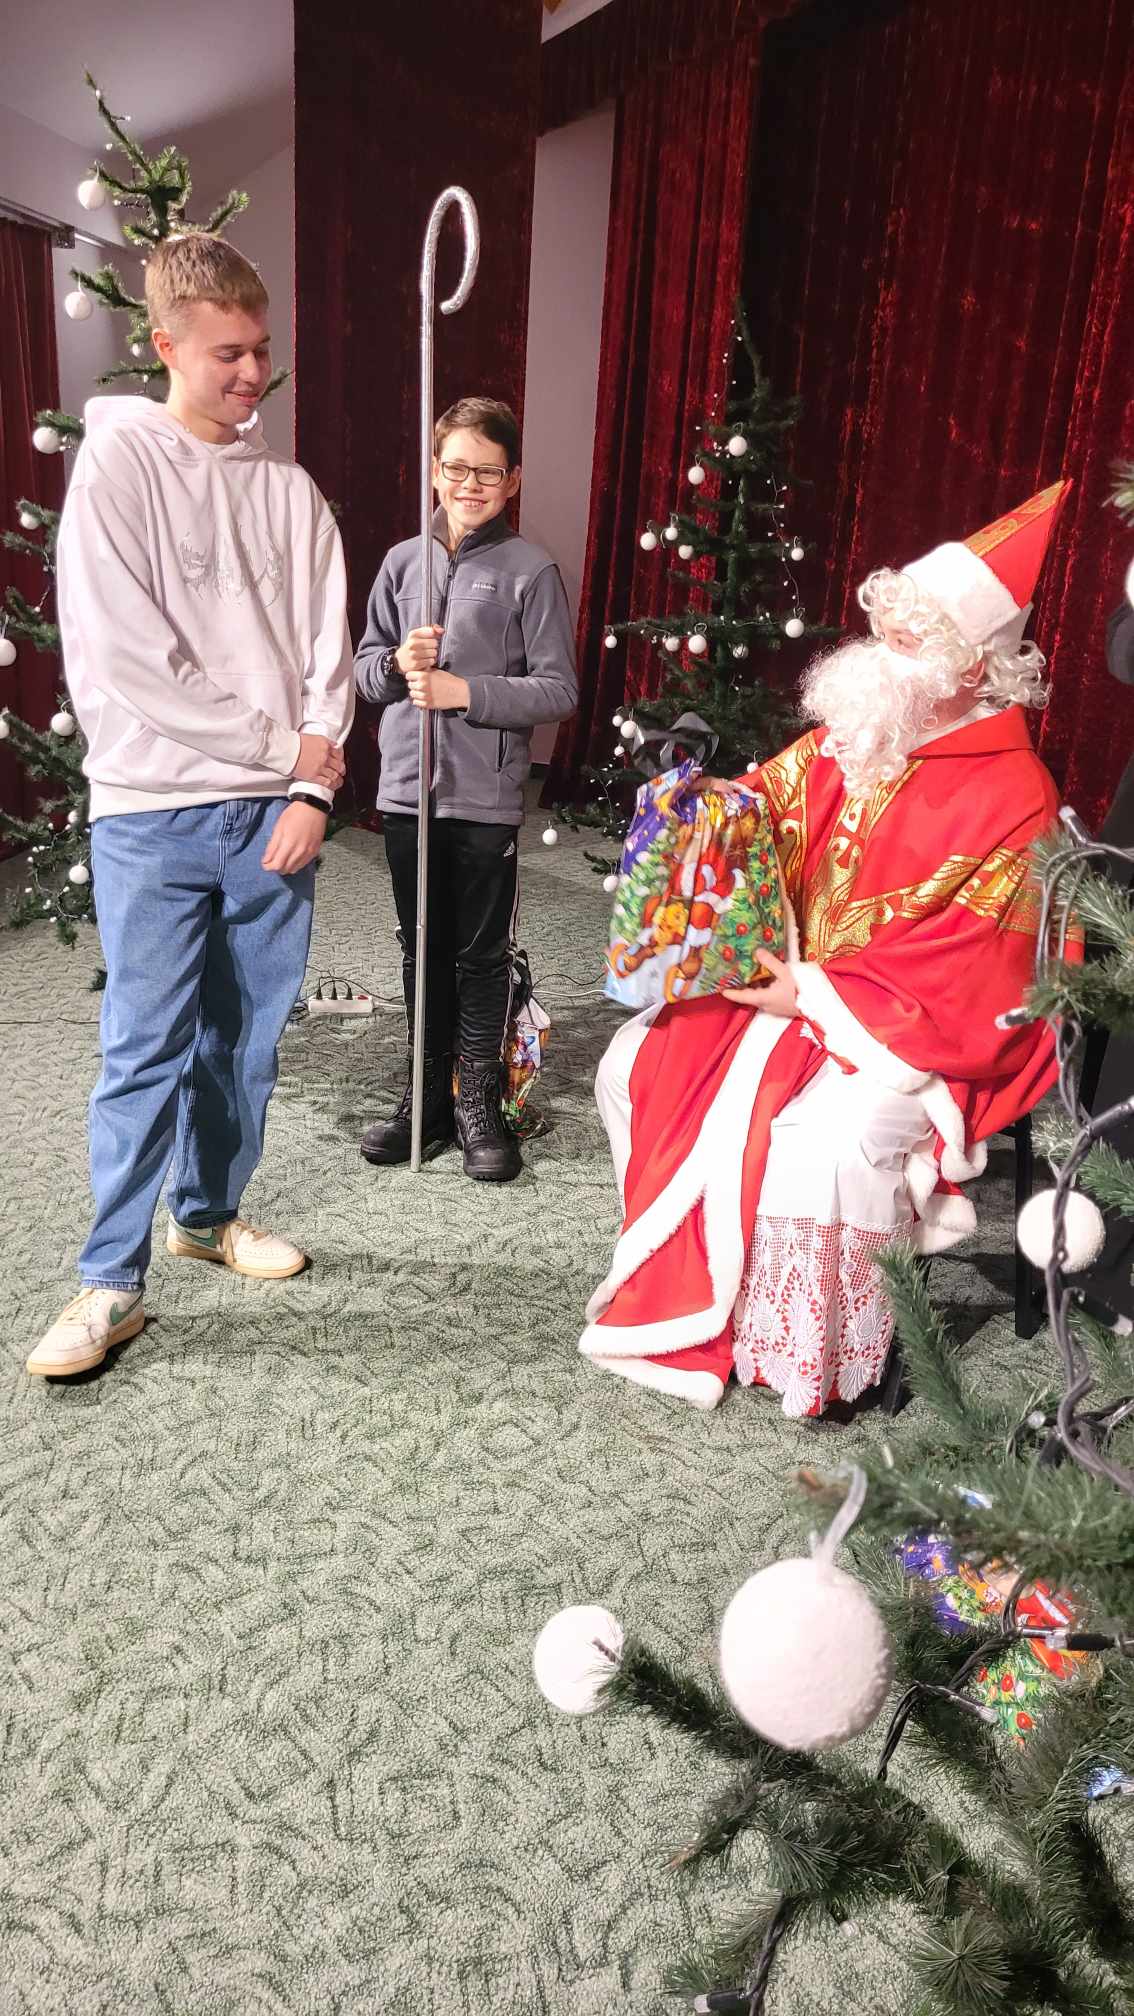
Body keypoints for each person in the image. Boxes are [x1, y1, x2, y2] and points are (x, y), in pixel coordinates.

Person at [580, 481, 1080, 1416]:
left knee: (828, 1144)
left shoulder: (1016, 793)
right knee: (627, 1063)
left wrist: (811, 995)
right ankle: (713, 1294)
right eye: (882, 634)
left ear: (974, 667)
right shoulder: (859, 735)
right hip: (797, 987)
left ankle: (806, 1354)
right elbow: (764, 804)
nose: (879, 657)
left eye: (908, 642)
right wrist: (708, 803)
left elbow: (982, 970)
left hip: (906, 1032)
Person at [25, 233, 354, 1379]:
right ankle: (110, 1281)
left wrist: (310, 783)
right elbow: (127, 666)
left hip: (277, 815)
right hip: (151, 812)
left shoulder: (291, 493)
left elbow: (328, 652)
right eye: (227, 354)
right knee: (143, 1048)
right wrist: (284, 750)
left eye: (262, 349)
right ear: (166, 346)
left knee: (247, 1046)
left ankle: (206, 1217)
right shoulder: (116, 470)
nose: (253, 373)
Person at [353, 396, 577, 1181]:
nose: (470, 484)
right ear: (434, 472)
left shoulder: (530, 571)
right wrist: (396, 667)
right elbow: (365, 671)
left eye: (488, 471)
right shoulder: (401, 563)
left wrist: (465, 693)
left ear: (511, 480)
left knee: (479, 956)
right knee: (421, 947)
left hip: (484, 798)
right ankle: (426, 1097)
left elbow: (557, 689)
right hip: (407, 792)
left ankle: (476, 1096)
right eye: (456, 468)